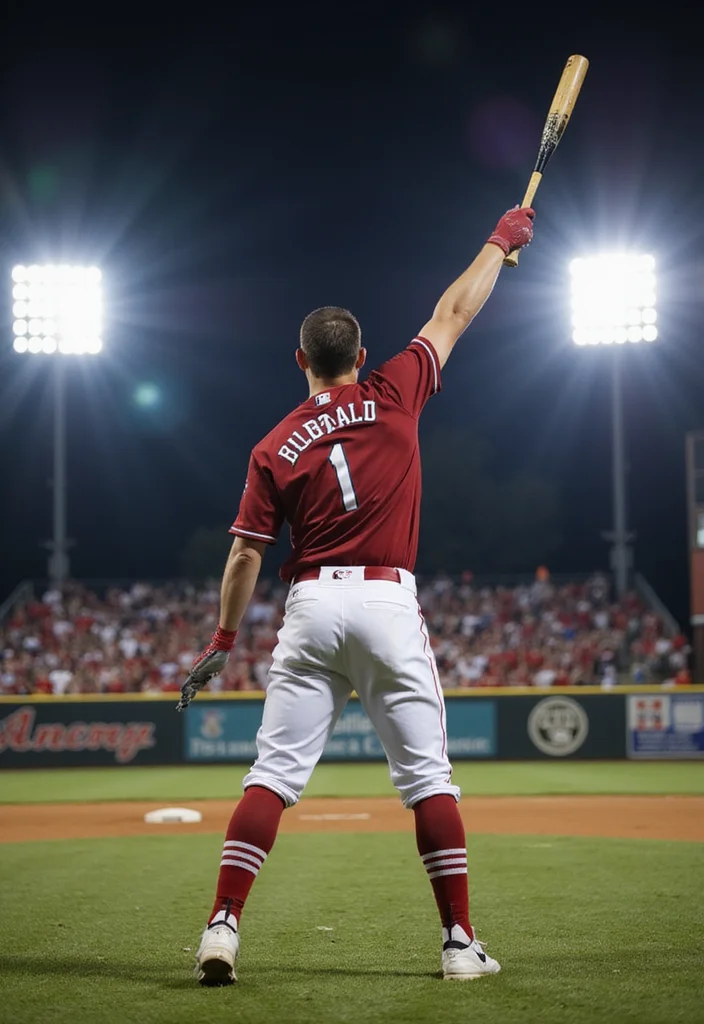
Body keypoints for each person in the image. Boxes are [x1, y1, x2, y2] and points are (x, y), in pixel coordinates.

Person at [178, 206, 535, 985]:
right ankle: (458, 944)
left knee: (271, 778)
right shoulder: (395, 388)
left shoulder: (273, 444)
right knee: (429, 781)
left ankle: (223, 925)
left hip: (311, 607)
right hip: (385, 600)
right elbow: (454, 311)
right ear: (361, 357)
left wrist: (223, 641)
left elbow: (245, 553)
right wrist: (498, 243)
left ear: (300, 359)